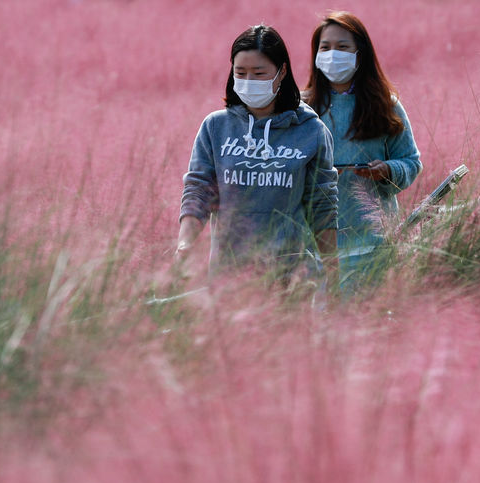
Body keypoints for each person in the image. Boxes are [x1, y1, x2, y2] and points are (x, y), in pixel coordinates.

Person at [176, 24, 338, 293]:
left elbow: (322, 206)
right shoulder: (216, 127)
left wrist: (333, 272)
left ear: (282, 72)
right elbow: (198, 191)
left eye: (259, 73)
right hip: (229, 279)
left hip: (292, 279)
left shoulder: (311, 131)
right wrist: (185, 243)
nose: (249, 81)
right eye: (241, 73)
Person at [304, 11, 422, 291]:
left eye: (343, 47)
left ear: (361, 53)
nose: (333, 55)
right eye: (325, 47)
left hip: (372, 243)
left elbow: (411, 161)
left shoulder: (385, 105)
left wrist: (386, 171)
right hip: (314, 246)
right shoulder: (303, 108)